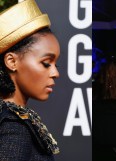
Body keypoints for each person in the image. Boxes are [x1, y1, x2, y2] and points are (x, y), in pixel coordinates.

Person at [0, 0, 60, 160]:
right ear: (12, 62)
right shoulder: (13, 129)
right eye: (46, 63)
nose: (55, 73)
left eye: (56, 64)